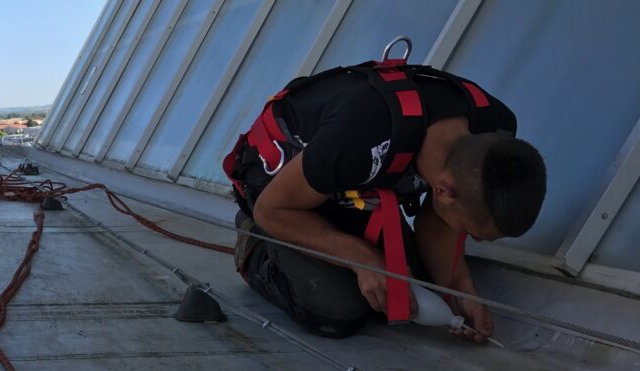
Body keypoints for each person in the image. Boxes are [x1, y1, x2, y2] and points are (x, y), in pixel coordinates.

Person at [223, 51, 546, 341]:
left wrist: (458, 290)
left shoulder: (495, 133)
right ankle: (256, 247)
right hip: (280, 193)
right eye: (470, 231)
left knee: (408, 295)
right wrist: (363, 259)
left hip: (350, 189)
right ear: (444, 189)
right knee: (335, 311)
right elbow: (274, 209)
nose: (467, 236)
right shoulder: (361, 134)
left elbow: (441, 219)